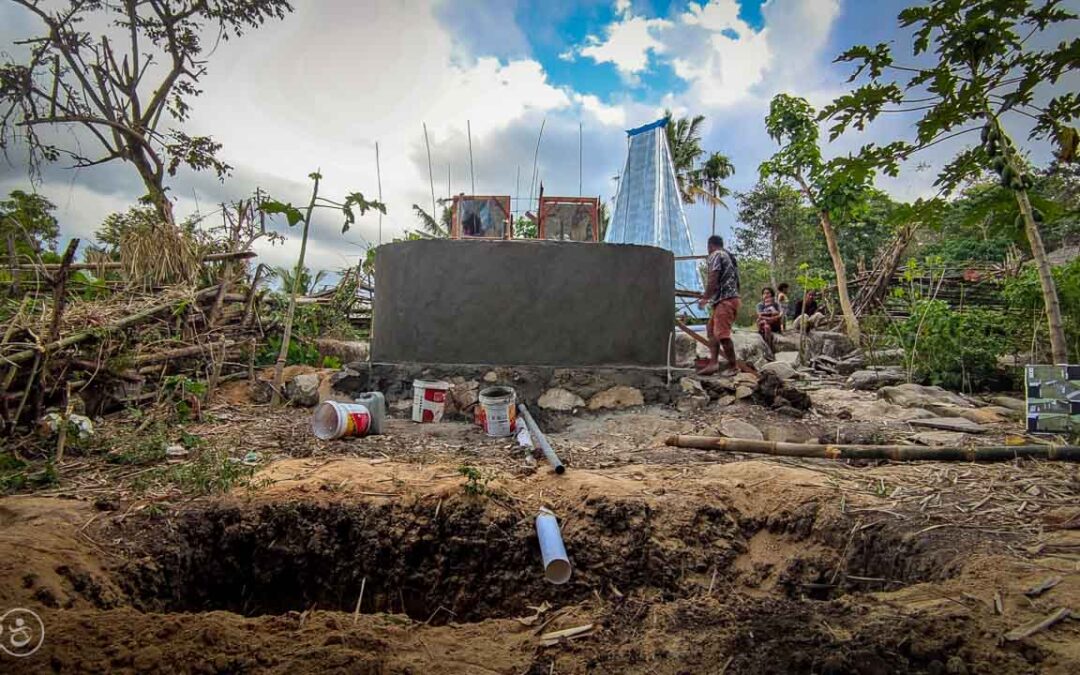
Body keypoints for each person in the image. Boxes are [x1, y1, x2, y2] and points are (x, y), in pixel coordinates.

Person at [697, 235, 740, 376]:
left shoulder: (716, 254)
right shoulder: (729, 256)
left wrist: (705, 298)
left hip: (725, 300)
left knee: (722, 334)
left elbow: (713, 279)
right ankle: (713, 363)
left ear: (710, 246)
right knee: (711, 329)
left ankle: (733, 367)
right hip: (727, 299)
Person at [756, 287, 783, 352]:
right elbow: (760, 315)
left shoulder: (776, 304)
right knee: (766, 326)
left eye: (768, 293)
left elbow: (780, 314)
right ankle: (768, 349)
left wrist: (773, 316)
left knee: (768, 322)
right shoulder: (760, 305)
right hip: (765, 323)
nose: (766, 295)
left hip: (775, 324)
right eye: (764, 293)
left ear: (771, 295)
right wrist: (771, 317)